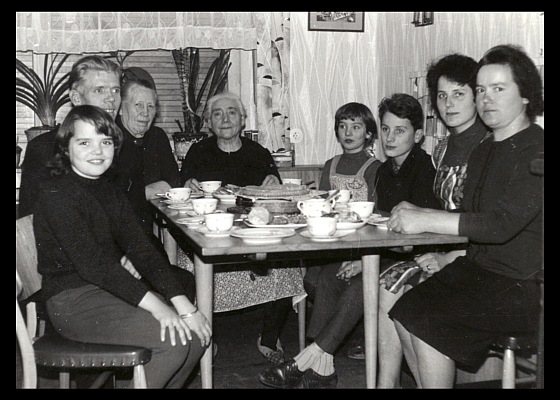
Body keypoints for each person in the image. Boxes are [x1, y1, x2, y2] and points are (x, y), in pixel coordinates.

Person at [387, 44, 544, 388]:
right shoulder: (485, 149)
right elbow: (470, 215)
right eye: (481, 90)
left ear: (526, 95)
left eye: (499, 89)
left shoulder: (537, 149)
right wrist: (422, 215)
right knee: (404, 311)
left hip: (523, 286)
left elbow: (500, 225)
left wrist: (426, 219)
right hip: (479, 272)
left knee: (429, 322)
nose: (486, 99)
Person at [33, 105, 211, 388]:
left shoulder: (108, 189)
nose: (97, 151)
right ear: (66, 148)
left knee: (197, 338)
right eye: (84, 142)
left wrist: (182, 304)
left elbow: (141, 248)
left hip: (107, 290)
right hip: (71, 301)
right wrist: (159, 307)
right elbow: (95, 266)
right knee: (176, 341)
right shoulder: (57, 193)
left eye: (105, 142)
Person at [373, 54, 490, 387]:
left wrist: (449, 256)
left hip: (474, 258)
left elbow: (488, 222)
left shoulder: (487, 146)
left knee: (411, 302)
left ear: (476, 95)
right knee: (389, 284)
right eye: (441, 95)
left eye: (458, 94)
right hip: (444, 250)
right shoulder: (443, 147)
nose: (448, 104)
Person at [259, 102, 381, 389]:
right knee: (324, 277)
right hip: (333, 246)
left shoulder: (375, 168)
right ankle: (323, 366)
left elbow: (376, 216)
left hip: (362, 247)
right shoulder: (331, 165)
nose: (348, 132)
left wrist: (360, 257)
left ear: (368, 134)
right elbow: (323, 209)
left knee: (329, 279)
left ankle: (312, 362)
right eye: (343, 126)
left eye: (356, 127)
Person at [179, 92, 305, 365]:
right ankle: (204, 340)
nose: (225, 119)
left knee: (285, 266)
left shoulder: (258, 152)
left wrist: (273, 183)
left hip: (254, 233)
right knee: (187, 264)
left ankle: (269, 338)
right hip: (212, 234)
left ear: (243, 119)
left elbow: (278, 195)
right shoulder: (198, 152)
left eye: (232, 112)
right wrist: (188, 185)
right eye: (217, 114)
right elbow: (183, 191)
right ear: (208, 122)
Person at [19, 55, 121, 218]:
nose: (111, 98)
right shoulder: (43, 148)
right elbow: (29, 219)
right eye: (99, 90)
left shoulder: (122, 144)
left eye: (116, 90)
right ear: (76, 98)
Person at [111, 67, 181, 235]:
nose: (145, 113)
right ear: (120, 109)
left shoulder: (157, 136)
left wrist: (138, 192)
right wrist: (146, 192)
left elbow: (174, 181)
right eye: (138, 105)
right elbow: (112, 198)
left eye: (150, 106)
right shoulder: (109, 140)